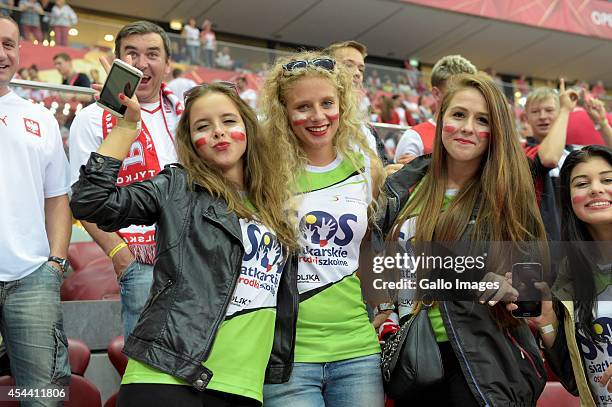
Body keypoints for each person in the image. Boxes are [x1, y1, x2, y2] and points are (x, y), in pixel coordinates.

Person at [71, 72, 298, 405]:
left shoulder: (275, 204)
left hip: (243, 385)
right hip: (168, 376)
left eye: (228, 120)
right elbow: (91, 202)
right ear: (191, 142)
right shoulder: (177, 186)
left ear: (248, 128)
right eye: (202, 126)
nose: (218, 131)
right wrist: (125, 129)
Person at [380, 73, 548, 405]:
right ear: (442, 119)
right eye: (459, 115)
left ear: (495, 131)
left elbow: (533, 280)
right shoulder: (403, 186)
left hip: (484, 361)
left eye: (482, 120)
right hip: (414, 359)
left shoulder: (509, 192)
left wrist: (511, 284)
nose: (468, 127)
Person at [260, 51, 385, 407]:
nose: (318, 117)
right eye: (303, 107)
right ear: (284, 112)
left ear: (342, 105)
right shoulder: (265, 171)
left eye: (327, 103)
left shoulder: (366, 168)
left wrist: (386, 307)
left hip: (357, 349)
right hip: (288, 354)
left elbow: (367, 252)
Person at [69, 20, 182, 339]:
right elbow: (80, 197)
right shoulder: (92, 118)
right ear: (117, 60)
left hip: (195, 254)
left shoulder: (188, 114)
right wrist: (121, 256)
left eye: (152, 54)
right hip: (142, 263)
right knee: (146, 371)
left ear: (168, 64)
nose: (142, 63)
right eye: (131, 54)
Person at [0, 15, 71, 405]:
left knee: (40, 396)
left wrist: (55, 264)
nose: (1, 53)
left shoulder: (40, 118)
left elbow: (57, 197)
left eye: (9, 44)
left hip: (32, 281)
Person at [529, 145, 612, 406]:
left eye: (608, 179)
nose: (596, 188)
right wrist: (547, 323)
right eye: (582, 183)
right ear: (568, 200)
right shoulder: (565, 277)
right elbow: (576, 380)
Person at [394, 54, 476, 164]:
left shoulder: (475, 135)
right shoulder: (415, 137)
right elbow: (401, 179)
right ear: (436, 94)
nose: (463, 97)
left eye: (468, 91)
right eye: (455, 92)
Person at [325, 40, 388, 165]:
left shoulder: (368, 130)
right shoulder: (319, 123)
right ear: (327, 70)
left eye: (361, 69)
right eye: (349, 65)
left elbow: (383, 168)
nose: (357, 73)